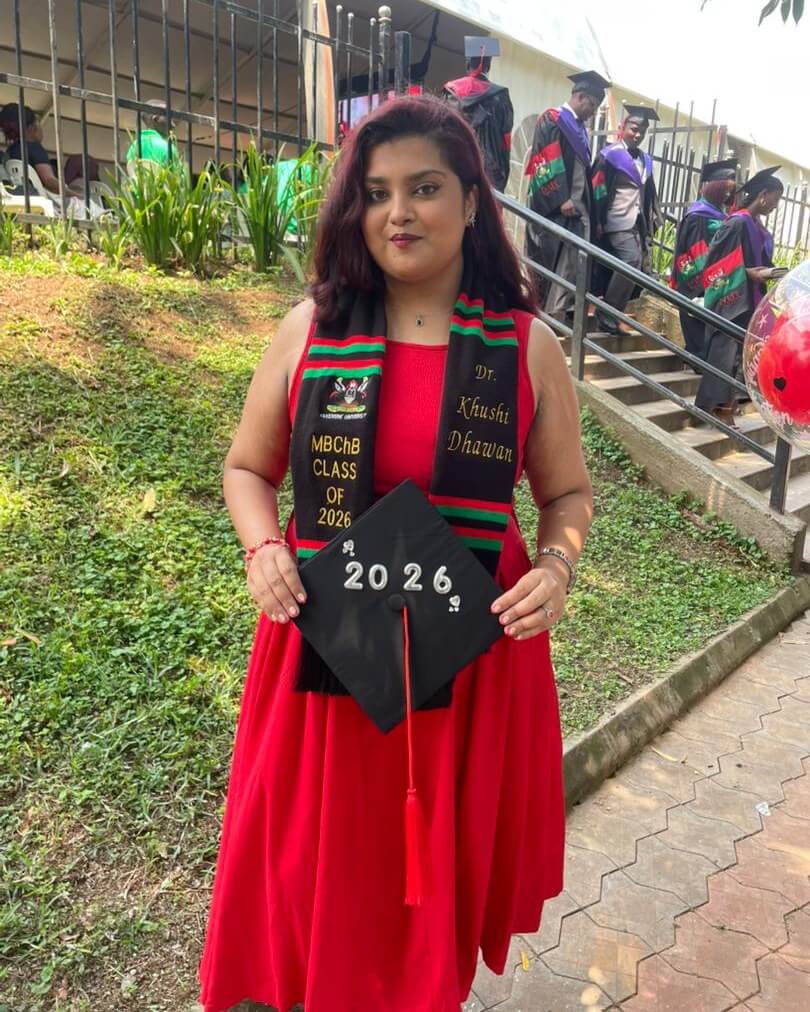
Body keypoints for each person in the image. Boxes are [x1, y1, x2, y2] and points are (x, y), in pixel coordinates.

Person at [198, 95, 593, 1012]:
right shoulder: (312, 330)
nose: (398, 213)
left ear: (472, 200)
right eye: (376, 193)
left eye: (425, 188)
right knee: (317, 866)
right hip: (327, 646)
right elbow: (247, 468)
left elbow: (566, 496)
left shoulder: (525, 348)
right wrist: (262, 549)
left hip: (468, 658)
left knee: (429, 884)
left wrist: (557, 566)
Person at [694, 166, 784, 427]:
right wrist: (749, 274)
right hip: (732, 298)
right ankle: (719, 409)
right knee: (724, 354)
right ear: (763, 195)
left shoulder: (755, 226)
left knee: (734, 356)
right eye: (775, 199)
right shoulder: (737, 222)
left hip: (749, 299)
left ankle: (714, 406)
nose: (776, 205)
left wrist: (769, 272)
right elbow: (714, 263)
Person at [524, 70, 611, 320]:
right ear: (580, 96)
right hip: (555, 206)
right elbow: (546, 157)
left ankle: (559, 311)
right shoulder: (553, 119)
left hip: (576, 207)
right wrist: (561, 197)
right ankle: (538, 311)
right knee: (547, 258)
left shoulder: (579, 128)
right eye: (591, 105)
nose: (592, 112)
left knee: (572, 259)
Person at [592, 104, 663, 333]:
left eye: (642, 131)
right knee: (631, 260)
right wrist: (598, 220)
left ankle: (613, 315)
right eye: (634, 129)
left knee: (635, 267)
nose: (638, 134)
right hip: (615, 219)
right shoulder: (610, 155)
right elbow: (597, 189)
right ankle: (606, 312)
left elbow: (648, 193)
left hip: (636, 223)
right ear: (623, 127)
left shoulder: (645, 159)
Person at [670, 158, 738, 363]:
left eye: (730, 191)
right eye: (725, 190)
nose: (728, 195)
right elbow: (696, 250)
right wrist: (709, 276)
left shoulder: (719, 213)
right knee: (697, 323)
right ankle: (696, 359)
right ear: (715, 188)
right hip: (696, 278)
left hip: (713, 275)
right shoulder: (698, 214)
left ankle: (697, 358)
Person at [443, 36, 514, 192]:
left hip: (457, 167)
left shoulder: (451, 92)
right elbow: (506, 142)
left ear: (468, 63)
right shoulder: (501, 96)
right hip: (490, 175)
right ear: (488, 65)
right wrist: (502, 176)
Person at [0, 102, 61, 197]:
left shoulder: (10, 151)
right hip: (41, 198)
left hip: (20, 197)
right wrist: (75, 194)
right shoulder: (34, 148)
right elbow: (50, 182)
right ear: (33, 127)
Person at [125, 99, 181, 173]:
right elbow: (177, 177)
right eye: (169, 119)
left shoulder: (134, 146)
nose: (173, 125)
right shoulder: (168, 148)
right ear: (156, 119)